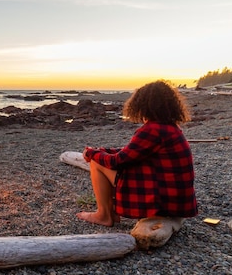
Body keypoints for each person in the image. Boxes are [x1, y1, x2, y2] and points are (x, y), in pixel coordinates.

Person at [77, 80, 198, 226]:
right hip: (176, 200)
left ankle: (103, 215)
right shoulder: (170, 127)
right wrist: (101, 150)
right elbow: (132, 152)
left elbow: (118, 161)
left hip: (163, 200)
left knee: (97, 163)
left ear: (143, 105)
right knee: (101, 158)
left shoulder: (153, 129)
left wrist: (92, 154)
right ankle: (111, 212)